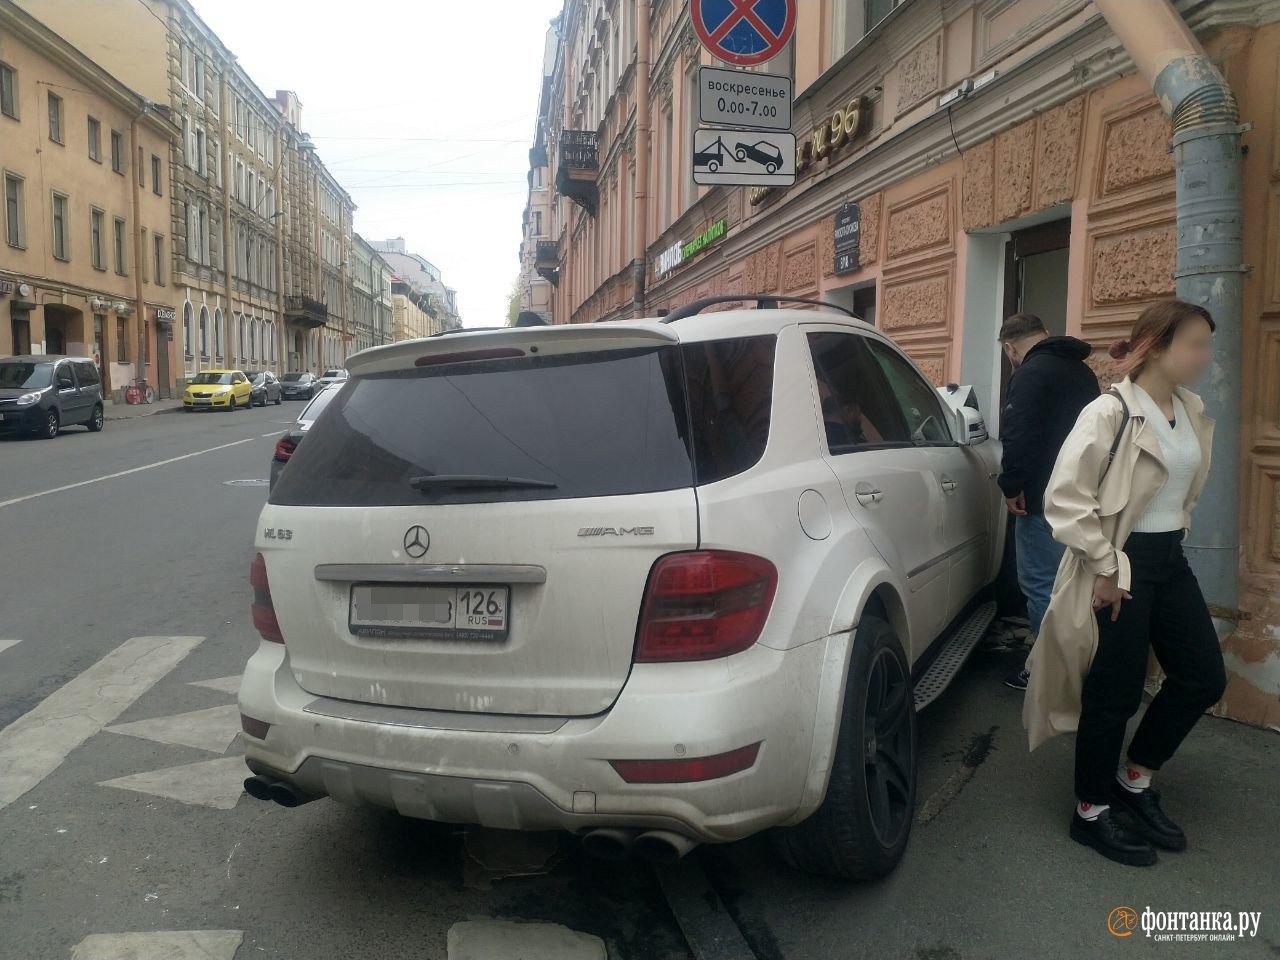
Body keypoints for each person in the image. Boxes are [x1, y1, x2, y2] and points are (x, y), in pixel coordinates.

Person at [1024, 299, 1224, 867]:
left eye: (1208, 344)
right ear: (1157, 345)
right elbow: (1063, 499)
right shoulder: (1109, 412)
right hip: (1119, 560)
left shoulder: (1189, 408)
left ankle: (1134, 779)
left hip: (1168, 558)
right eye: (1196, 344)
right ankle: (1089, 810)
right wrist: (1107, 567)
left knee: (1202, 676)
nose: (1206, 356)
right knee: (1113, 691)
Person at [996, 314, 1100, 690]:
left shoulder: (1029, 373)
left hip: (1042, 500)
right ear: (1046, 334)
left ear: (1010, 346)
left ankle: (1046, 673)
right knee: (1073, 586)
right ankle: (1077, 666)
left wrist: (1012, 485)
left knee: (1042, 585)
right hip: (1083, 499)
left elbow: (1018, 434)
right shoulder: (1082, 373)